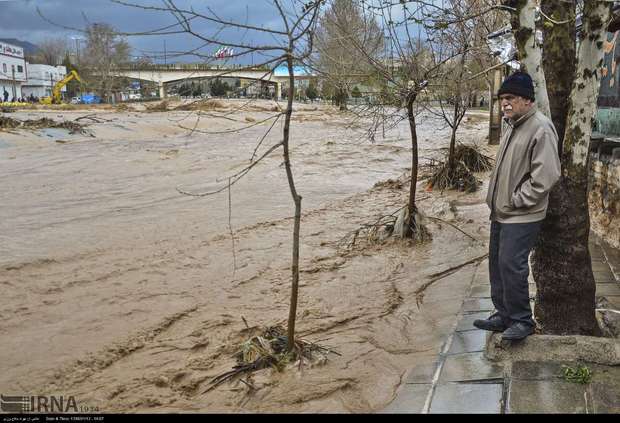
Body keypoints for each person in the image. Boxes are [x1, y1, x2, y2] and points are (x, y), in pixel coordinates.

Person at [474, 71, 561, 340]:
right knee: (498, 265)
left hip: (522, 214)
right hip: (501, 212)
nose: (505, 104)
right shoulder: (513, 125)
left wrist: (516, 201)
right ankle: (504, 315)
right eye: (502, 99)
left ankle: (523, 321)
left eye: (510, 98)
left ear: (526, 99)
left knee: (512, 266)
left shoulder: (540, 128)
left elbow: (546, 176)